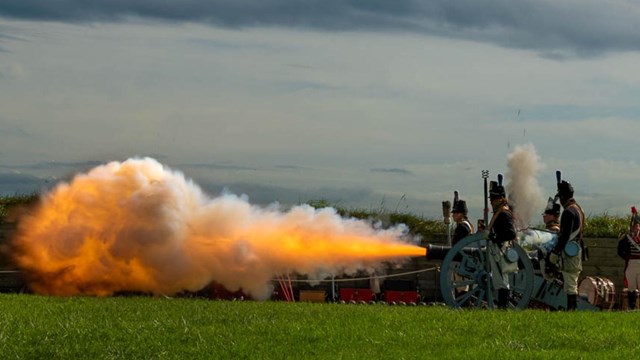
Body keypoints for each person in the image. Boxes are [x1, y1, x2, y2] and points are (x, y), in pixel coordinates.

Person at [550, 179, 585, 311]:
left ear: (563, 197)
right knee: (571, 283)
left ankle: (572, 311)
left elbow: (565, 236)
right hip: (575, 250)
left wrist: (555, 252)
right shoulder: (578, 209)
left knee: (570, 284)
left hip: (569, 253)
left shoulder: (569, 212)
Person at [487, 177, 517, 309]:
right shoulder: (501, 212)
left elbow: (511, 234)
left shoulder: (504, 214)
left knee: (502, 282)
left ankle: (503, 308)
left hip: (501, 250)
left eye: (493, 199)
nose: (491, 202)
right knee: (500, 281)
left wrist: (495, 238)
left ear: (500, 199)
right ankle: (501, 307)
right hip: (498, 249)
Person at [617, 207, 640, 310]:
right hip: (630, 263)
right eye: (633, 226)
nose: (635, 228)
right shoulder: (626, 238)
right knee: (631, 287)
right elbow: (620, 251)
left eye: (637, 226)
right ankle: (632, 307)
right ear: (631, 227)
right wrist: (627, 257)